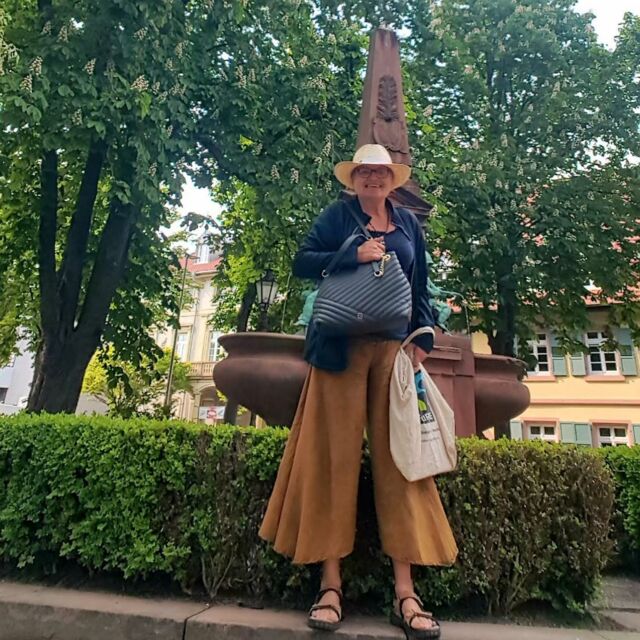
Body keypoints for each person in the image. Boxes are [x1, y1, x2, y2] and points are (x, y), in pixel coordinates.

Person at [259, 144, 457, 639]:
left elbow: (420, 283)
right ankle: (330, 586)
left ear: (392, 179)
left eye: (381, 172)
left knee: (401, 462)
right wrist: (352, 253)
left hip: (393, 351)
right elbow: (303, 262)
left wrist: (424, 339)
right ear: (354, 178)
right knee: (334, 460)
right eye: (365, 172)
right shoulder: (337, 216)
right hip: (339, 351)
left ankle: (406, 593)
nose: (373, 178)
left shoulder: (408, 224)